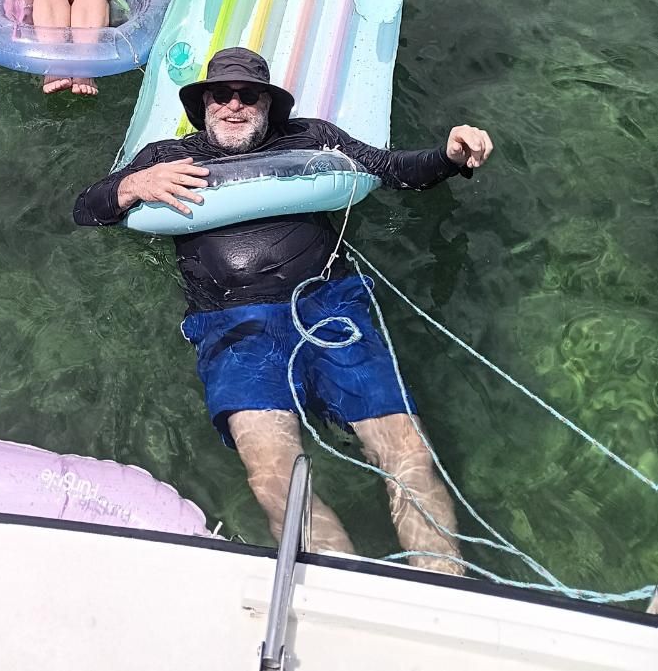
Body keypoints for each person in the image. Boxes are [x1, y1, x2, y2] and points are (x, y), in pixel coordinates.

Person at [73, 47, 493, 571]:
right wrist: (130, 186)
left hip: (327, 305)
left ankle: (440, 588)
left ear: (269, 106)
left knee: (407, 453)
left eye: (248, 95)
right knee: (274, 478)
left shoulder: (311, 138)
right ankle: (343, 588)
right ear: (202, 105)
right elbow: (85, 210)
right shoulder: (166, 158)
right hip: (231, 325)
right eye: (219, 95)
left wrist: (450, 156)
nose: (233, 105)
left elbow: (395, 170)